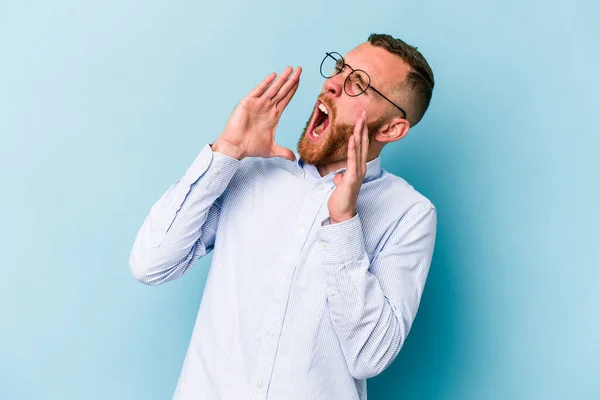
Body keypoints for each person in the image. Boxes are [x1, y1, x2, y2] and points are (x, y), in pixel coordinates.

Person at [129, 33, 437, 400]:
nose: (333, 84)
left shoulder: (409, 214)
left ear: (391, 129)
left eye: (358, 84)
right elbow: (150, 264)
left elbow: (370, 356)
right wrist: (226, 151)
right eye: (341, 69)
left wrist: (343, 223)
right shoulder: (252, 171)